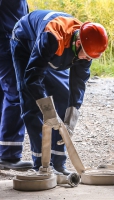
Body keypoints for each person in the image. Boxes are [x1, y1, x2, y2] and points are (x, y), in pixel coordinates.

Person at [10, 10, 108, 175]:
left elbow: (78, 85)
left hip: (58, 50)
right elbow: (32, 78)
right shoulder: (52, 38)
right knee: (31, 103)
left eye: (92, 57)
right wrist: (48, 112)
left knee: (63, 96)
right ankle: (42, 164)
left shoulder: (87, 49)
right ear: (78, 45)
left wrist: (72, 116)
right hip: (25, 41)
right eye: (87, 56)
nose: (88, 60)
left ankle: (59, 164)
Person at [0, 0, 33, 170]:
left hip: (8, 38)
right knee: (15, 95)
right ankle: (9, 155)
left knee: (4, 94)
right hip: (6, 40)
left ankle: (5, 152)